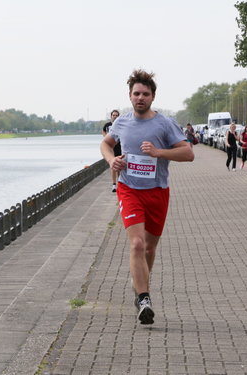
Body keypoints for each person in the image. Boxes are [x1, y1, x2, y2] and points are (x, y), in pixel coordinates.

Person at [100, 69, 194, 325]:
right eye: (136, 93)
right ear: (130, 96)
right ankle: (144, 298)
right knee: (137, 245)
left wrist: (158, 153)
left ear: (153, 97)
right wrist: (112, 160)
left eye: (145, 94)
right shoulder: (122, 122)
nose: (140, 97)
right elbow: (106, 144)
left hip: (157, 192)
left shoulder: (165, 123)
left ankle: (139, 284)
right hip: (129, 189)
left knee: (150, 248)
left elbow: (188, 153)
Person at [102, 110, 121, 192]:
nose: (115, 116)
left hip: (120, 147)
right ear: (111, 116)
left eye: (116, 115)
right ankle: (114, 184)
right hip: (111, 148)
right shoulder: (107, 125)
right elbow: (103, 131)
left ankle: (120, 182)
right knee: (113, 166)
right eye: (113, 115)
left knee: (119, 167)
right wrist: (106, 137)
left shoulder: (121, 125)